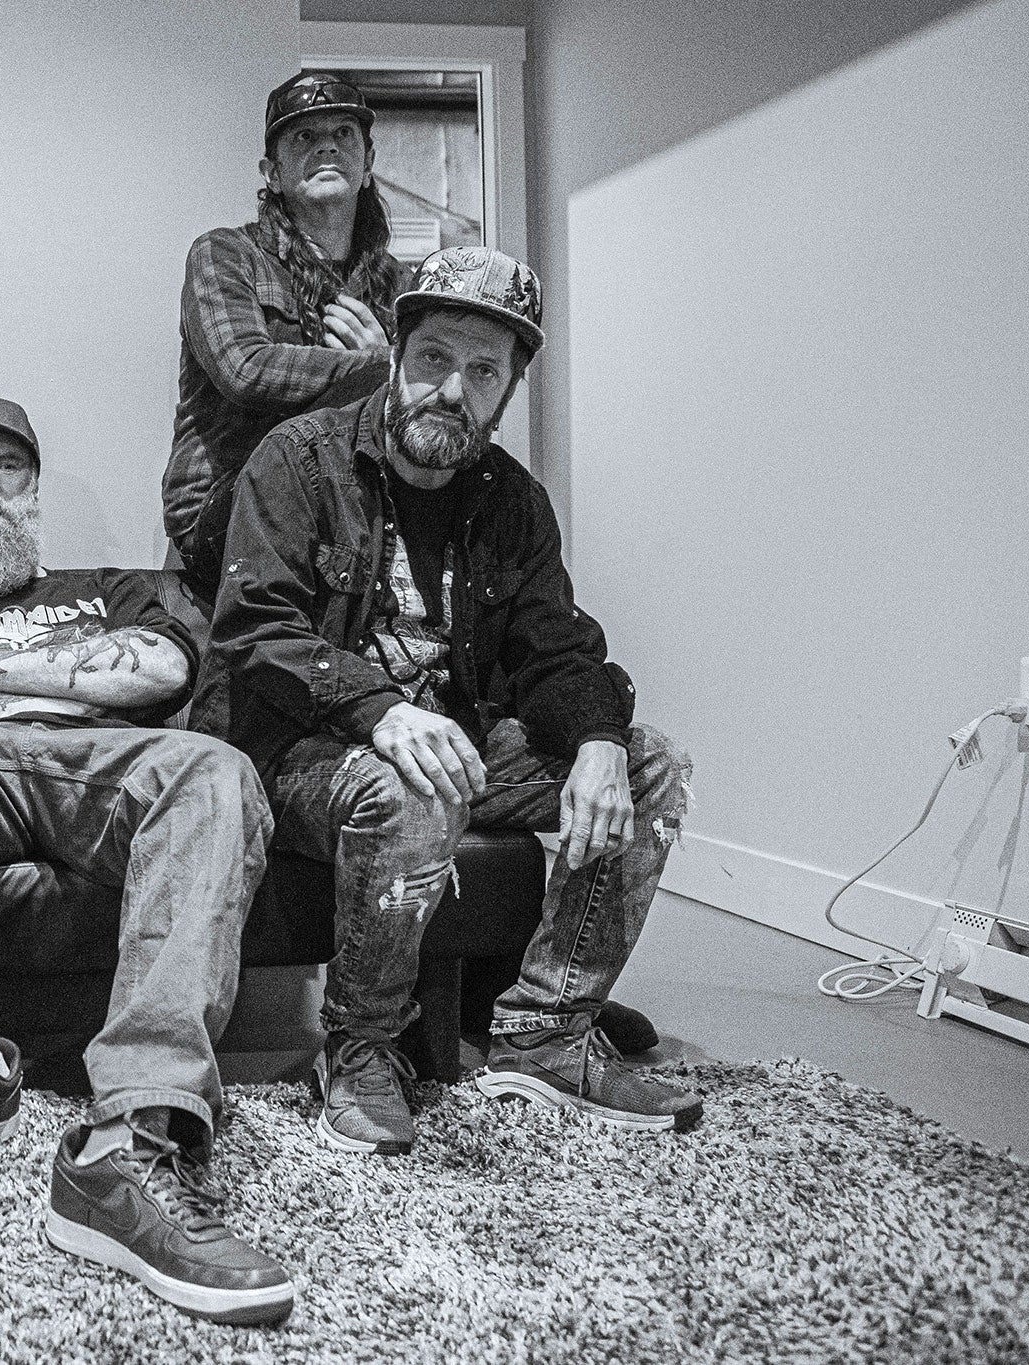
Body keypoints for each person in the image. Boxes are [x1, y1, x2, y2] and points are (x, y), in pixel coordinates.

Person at [0, 395, 296, 1326]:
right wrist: (81, 678)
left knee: (215, 770)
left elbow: (163, 670)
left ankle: (133, 1132)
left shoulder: (108, 585)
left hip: (99, 770)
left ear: (34, 491)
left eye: (9, 468)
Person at [208, 245, 700, 1158]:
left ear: (507, 390)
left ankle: (547, 1029)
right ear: (396, 355)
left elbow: (556, 647)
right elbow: (255, 629)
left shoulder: (512, 501)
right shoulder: (299, 460)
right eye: (434, 357)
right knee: (413, 784)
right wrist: (380, 710)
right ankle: (361, 1045)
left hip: (451, 745)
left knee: (654, 765)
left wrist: (600, 737)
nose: (451, 389)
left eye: (483, 371)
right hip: (298, 751)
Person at [165, 70, 409, 611]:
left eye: (343, 133)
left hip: (353, 521)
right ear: (272, 173)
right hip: (223, 516)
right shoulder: (225, 254)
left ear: (368, 162)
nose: (327, 145)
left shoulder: (401, 287)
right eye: (304, 136)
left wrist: (393, 374)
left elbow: (423, 406)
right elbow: (245, 369)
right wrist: (382, 369)